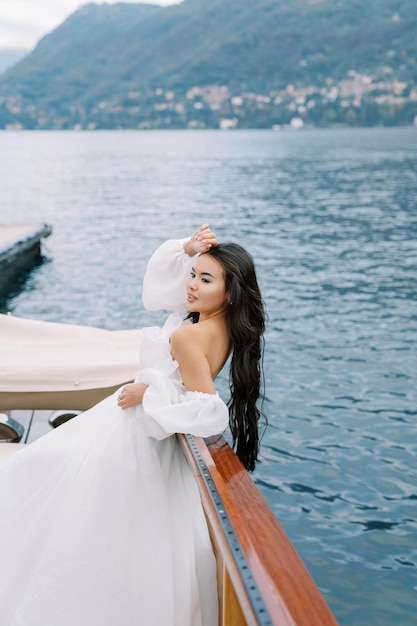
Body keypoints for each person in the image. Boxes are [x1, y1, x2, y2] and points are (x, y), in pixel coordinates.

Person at [0, 224, 266, 626]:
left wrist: (151, 392)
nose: (190, 285)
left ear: (228, 293)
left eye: (204, 279)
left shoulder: (190, 336)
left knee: (40, 484)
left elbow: (208, 410)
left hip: (133, 436)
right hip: (136, 431)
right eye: (193, 273)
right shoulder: (222, 326)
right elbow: (159, 294)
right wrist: (186, 248)